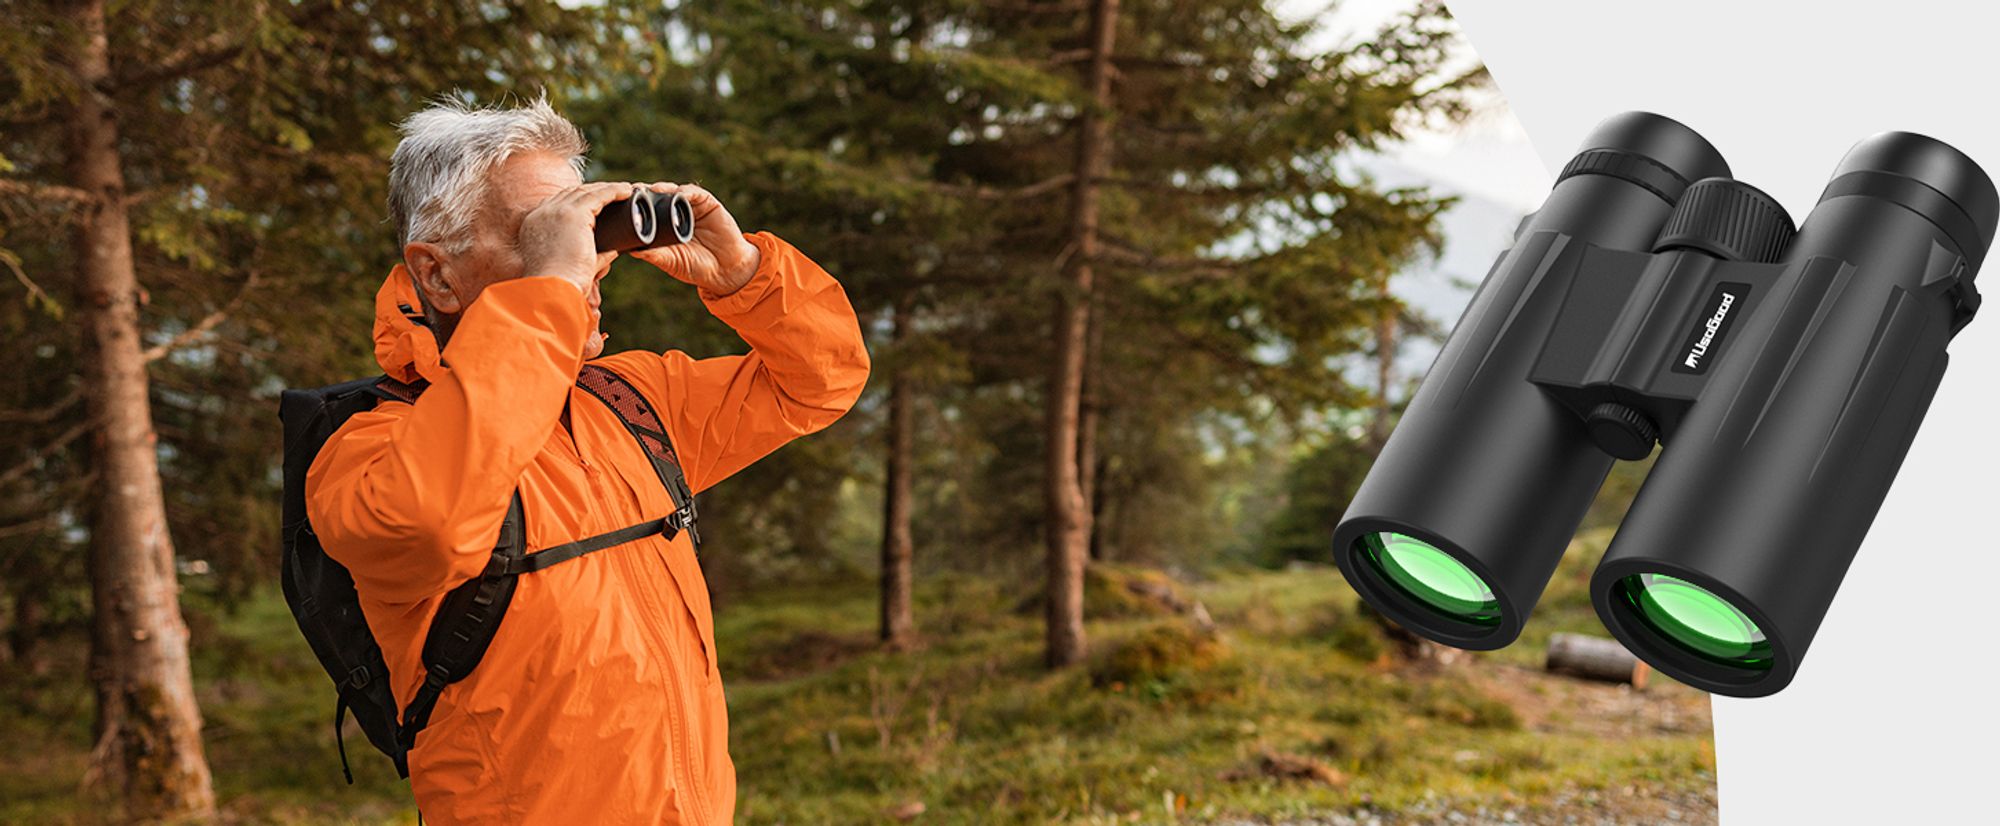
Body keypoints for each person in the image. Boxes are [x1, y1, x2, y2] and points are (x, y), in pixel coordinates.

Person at [304, 97, 870, 824]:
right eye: (542, 235)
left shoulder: (631, 403)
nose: (588, 265)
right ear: (437, 277)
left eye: (582, 227)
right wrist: (553, 294)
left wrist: (743, 272)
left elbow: (819, 381)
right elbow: (428, 526)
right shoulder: (367, 450)